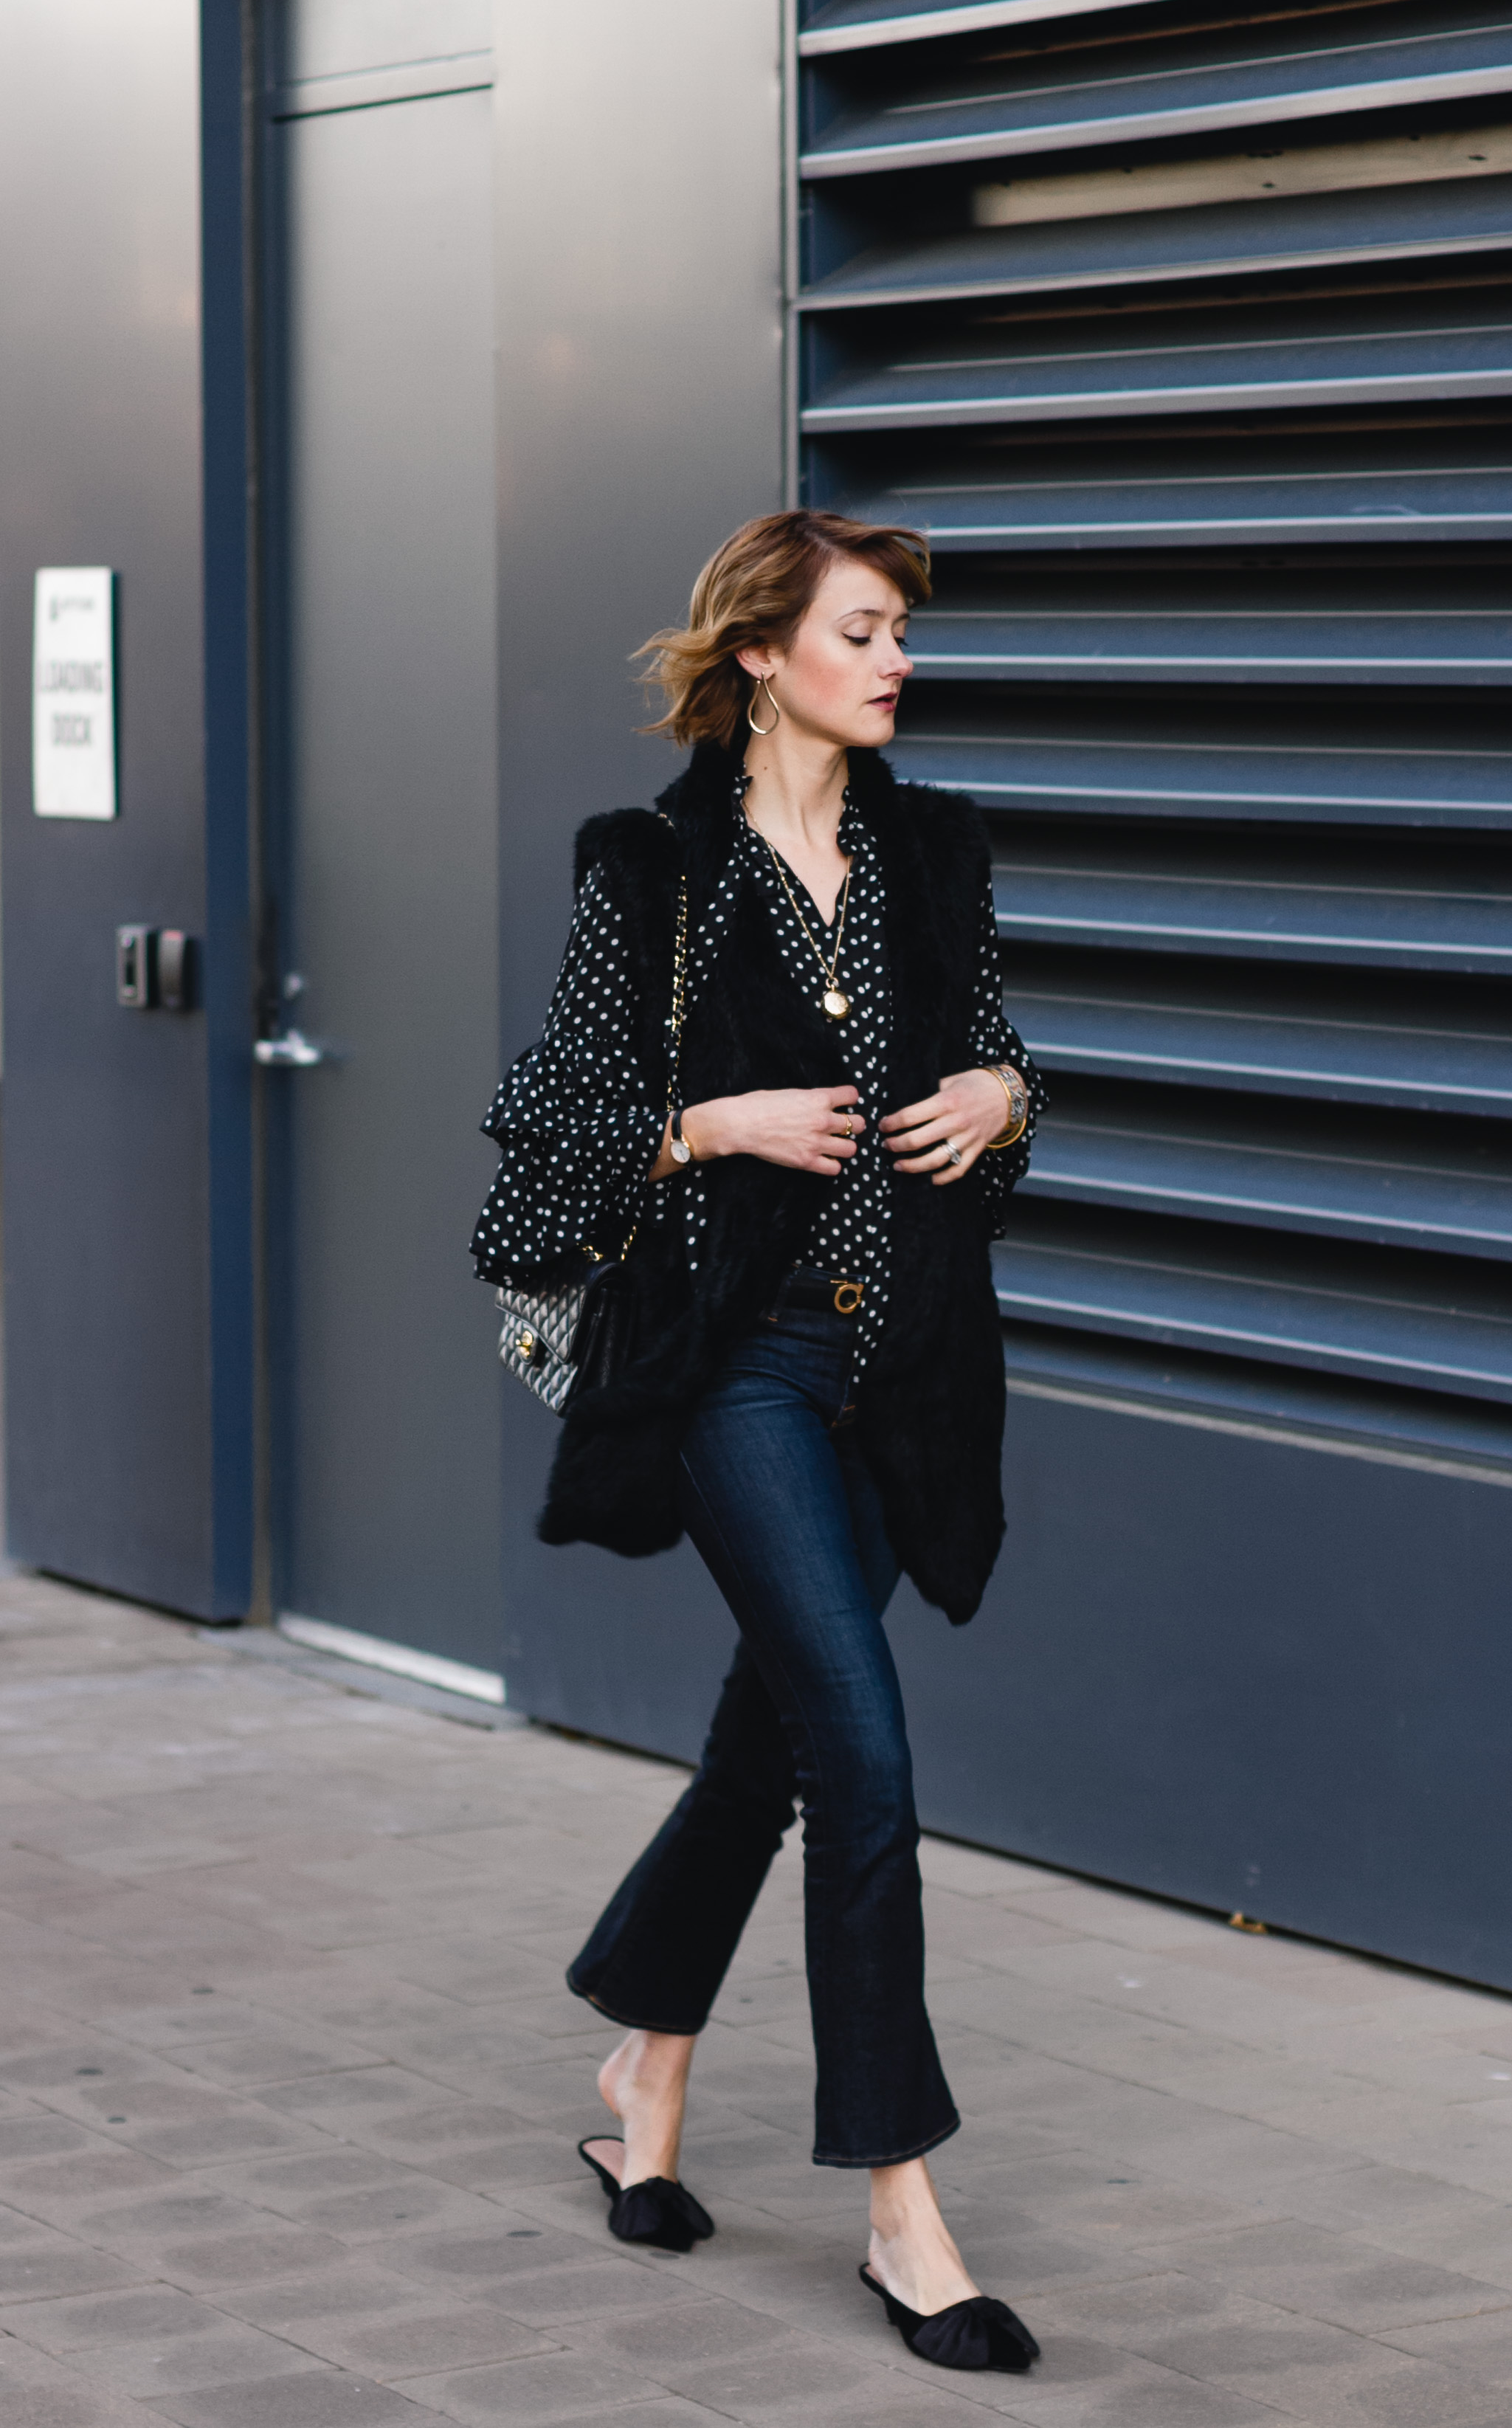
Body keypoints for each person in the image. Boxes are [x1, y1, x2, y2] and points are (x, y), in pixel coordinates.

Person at [471, 510, 1046, 2375]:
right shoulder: (651, 877)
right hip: (742, 1374)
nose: (898, 661)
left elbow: (1004, 1063)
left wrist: (998, 1089)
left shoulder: (933, 853)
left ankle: (644, 2057)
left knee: (770, 1744)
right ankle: (902, 2206)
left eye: (900, 633)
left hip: (906, 1373)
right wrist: (711, 1125)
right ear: (763, 658)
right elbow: (541, 1168)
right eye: (864, 631)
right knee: (862, 1756)